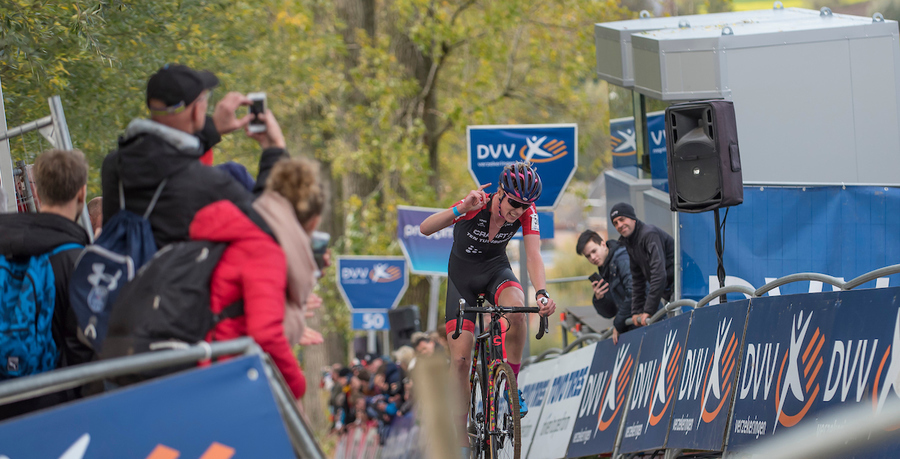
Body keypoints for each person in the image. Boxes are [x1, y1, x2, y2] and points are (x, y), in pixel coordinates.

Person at [189, 115, 324, 405]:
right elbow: (265, 332)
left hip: (211, 367)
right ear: (312, 222)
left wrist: (275, 148)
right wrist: (297, 384)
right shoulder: (264, 247)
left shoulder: (247, 227)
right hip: (224, 377)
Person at [420, 161, 556, 446]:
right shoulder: (477, 203)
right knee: (459, 359)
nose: (517, 211)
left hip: (495, 270)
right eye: (514, 203)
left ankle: (512, 384)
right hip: (462, 277)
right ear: (500, 192)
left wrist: (541, 293)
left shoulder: (527, 212)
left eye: (524, 206)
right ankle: (459, 430)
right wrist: (461, 208)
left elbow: (533, 256)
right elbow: (425, 229)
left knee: (517, 310)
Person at [101, 63, 287, 248]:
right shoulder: (207, 183)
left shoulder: (113, 165)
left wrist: (212, 129)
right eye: (205, 98)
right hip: (174, 277)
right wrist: (275, 151)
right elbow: (269, 223)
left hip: (123, 273)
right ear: (197, 110)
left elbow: (163, 154)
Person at [0, 149, 93, 419]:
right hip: (51, 408)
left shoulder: (5, 246)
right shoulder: (77, 261)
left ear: (37, 194)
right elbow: (81, 348)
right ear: (81, 194)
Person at [609, 202, 675, 328]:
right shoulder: (630, 243)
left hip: (684, 288)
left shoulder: (649, 234)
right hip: (670, 293)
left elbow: (659, 274)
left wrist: (648, 311)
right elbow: (637, 280)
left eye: (622, 219)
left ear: (633, 218)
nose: (619, 225)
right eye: (615, 223)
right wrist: (636, 311)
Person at [576, 229, 633, 344]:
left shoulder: (622, 259)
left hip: (646, 322)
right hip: (632, 325)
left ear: (603, 244)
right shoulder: (606, 269)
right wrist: (600, 299)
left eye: (594, 251)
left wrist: (618, 323)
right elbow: (610, 313)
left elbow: (634, 293)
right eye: (588, 256)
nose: (592, 257)